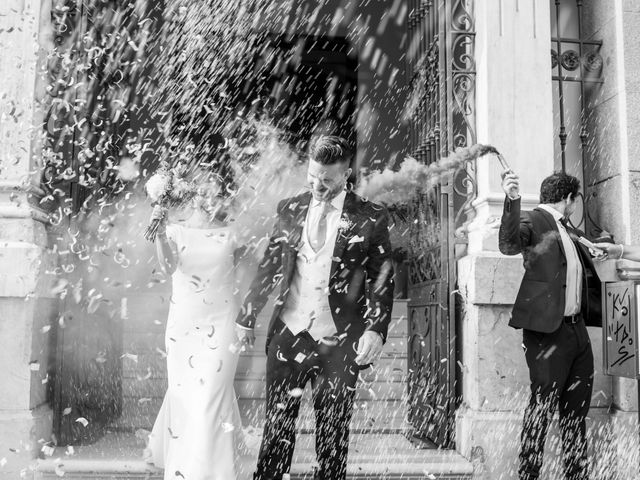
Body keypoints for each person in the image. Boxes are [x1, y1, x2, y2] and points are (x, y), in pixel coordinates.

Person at [235, 135, 394, 480]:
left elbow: (382, 278)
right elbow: (271, 264)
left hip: (339, 340)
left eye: (327, 180)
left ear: (345, 174)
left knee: (333, 435)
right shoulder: (289, 208)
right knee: (276, 428)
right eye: (312, 177)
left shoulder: (370, 216)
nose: (318, 185)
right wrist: (247, 315)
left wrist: (375, 329)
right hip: (289, 334)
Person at [499, 170, 602, 480]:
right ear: (568, 199)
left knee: (576, 412)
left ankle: (576, 474)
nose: (574, 206)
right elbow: (508, 244)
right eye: (574, 200)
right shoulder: (533, 219)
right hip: (547, 334)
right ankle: (528, 473)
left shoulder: (567, 228)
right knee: (541, 408)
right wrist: (512, 199)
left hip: (577, 334)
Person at [146, 168, 243, 480]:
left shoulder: (233, 232)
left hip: (223, 318)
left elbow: (248, 275)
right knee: (188, 395)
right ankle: (188, 467)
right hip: (186, 323)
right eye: (205, 192)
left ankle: (215, 469)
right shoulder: (174, 230)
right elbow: (168, 266)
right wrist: (160, 232)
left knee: (213, 391)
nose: (210, 198)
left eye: (215, 193)